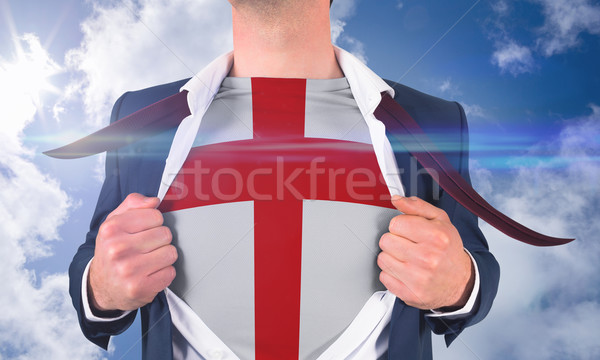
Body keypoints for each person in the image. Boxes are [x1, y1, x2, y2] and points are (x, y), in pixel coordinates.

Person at [68, 1, 500, 359]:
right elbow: (96, 256)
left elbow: (473, 260)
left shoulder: (433, 120)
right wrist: (102, 284)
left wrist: (459, 282)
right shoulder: (141, 116)